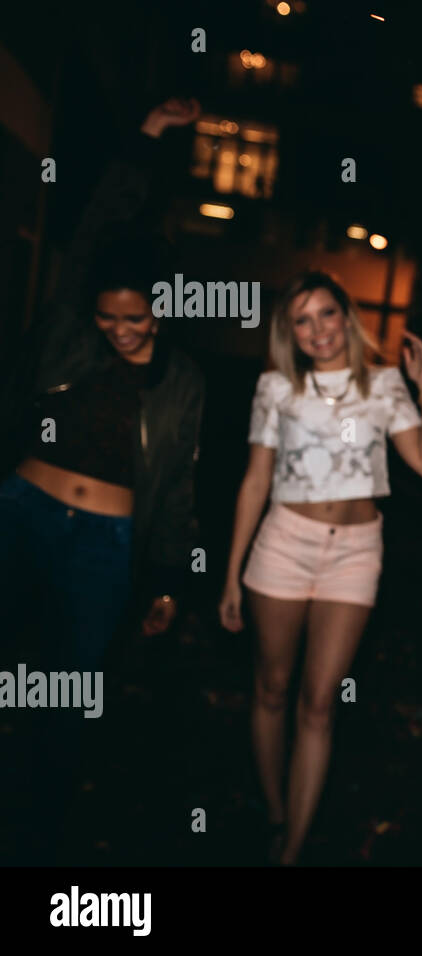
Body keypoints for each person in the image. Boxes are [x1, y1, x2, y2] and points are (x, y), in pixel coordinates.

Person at [0, 98, 205, 863]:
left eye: (136, 321)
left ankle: (36, 839)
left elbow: (180, 485)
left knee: (70, 695)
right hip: (21, 513)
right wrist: (145, 141)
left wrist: (166, 578)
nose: (121, 331)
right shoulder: (67, 337)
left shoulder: (181, 380)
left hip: (107, 544)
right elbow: (90, 236)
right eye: (109, 319)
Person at [218, 271, 422, 864]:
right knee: (271, 687)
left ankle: (291, 846)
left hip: (356, 550)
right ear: (288, 332)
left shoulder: (385, 384)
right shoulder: (276, 388)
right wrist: (231, 575)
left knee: (319, 702)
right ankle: (274, 808)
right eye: (302, 319)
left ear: (346, 315)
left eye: (326, 313)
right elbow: (255, 480)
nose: (316, 329)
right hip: (284, 542)